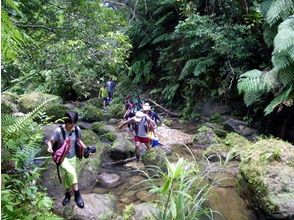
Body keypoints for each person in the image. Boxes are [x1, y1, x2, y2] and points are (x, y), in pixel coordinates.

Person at [47, 111, 87, 208]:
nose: (71, 125)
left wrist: (86, 148)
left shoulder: (77, 129)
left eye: (73, 123)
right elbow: (50, 141)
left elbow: (78, 140)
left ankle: (67, 194)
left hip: (73, 157)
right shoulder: (59, 131)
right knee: (72, 172)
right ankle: (77, 195)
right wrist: (49, 147)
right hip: (62, 157)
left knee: (69, 175)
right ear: (65, 121)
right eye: (69, 123)